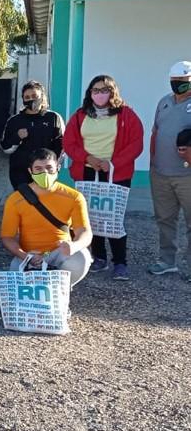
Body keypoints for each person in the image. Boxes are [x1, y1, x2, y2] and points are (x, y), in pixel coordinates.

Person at [62, 74, 144, 280]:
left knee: (114, 218)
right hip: (87, 171)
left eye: (104, 90)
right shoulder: (80, 115)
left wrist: (112, 163)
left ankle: (120, 262)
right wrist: (87, 158)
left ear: (112, 92)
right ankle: (99, 257)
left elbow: (136, 143)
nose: (100, 95)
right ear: (90, 93)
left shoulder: (127, 115)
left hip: (115, 172)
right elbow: (69, 142)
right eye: (95, 90)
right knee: (91, 216)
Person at [0, 148, 93, 288]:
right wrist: (24, 256)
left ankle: (61, 290)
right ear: (30, 171)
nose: (45, 173)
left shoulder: (73, 197)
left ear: (58, 168)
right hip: (29, 255)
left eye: (49, 168)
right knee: (18, 283)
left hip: (59, 252)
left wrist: (74, 246)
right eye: (38, 169)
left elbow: (84, 232)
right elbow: (7, 237)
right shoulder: (15, 199)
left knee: (82, 257)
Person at [148, 61, 191, 278]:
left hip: (187, 174)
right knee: (165, 219)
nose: (178, 86)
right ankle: (167, 261)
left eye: (183, 82)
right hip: (161, 173)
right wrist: (152, 163)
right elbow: (156, 131)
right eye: (175, 82)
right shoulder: (164, 102)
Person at [0, 80, 64, 189]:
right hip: (20, 173)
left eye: (34, 96)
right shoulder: (14, 120)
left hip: (45, 173)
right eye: (27, 97)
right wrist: (17, 137)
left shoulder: (53, 117)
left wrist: (55, 167)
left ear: (42, 97)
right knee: (24, 202)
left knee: (44, 203)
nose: (31, 100)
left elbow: (62, 145)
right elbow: (5, 148)